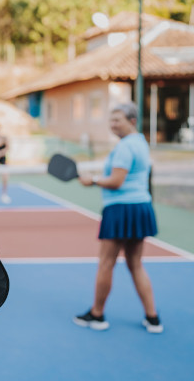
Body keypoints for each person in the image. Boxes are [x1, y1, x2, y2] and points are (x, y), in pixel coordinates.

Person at [73, 102, 162, 333]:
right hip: (141, 206)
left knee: (106, 263)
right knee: (135, 264)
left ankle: (97, 314)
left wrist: (91, 180)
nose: (113, 125)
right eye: (111, 120)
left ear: (132, 121)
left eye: (117, 120)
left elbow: (116, 181)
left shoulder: (124, 147)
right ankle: (153, 319)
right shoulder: (141, 143)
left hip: (121, 209)